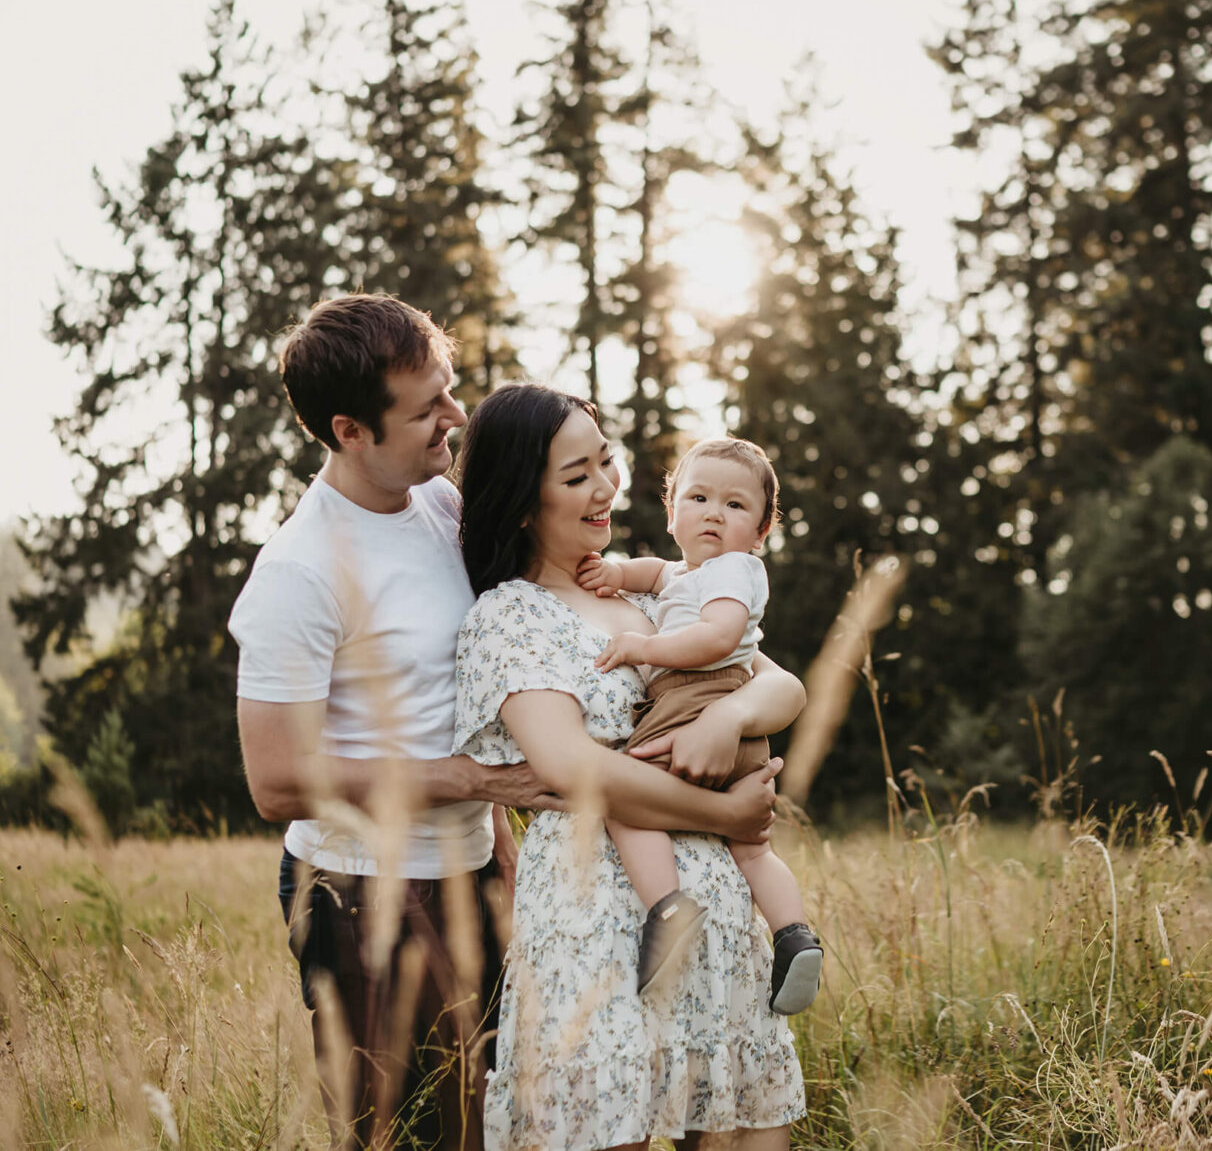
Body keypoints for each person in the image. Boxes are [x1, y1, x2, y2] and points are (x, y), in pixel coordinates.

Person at [229, 294, 560, 1151]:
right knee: (405, 1137)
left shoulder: (442, 509)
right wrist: (472, 780)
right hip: (357, 900)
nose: (457, 416)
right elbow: (275, 780)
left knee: (488, 1118)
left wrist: (503, 857)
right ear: (350, 430)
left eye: (449, 389)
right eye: (427, 408)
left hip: (473, 872)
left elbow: (462, 696)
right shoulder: (299, 572)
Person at [452, 384, 808, 1151]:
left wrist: (730, 715)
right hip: (601, 925)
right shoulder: (510, 614)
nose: (606, 487)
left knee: (743, 1131)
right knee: (609, 1125)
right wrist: (724, 814)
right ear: (521, 500)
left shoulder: (650, 597)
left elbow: (779, 682)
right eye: (576, 475)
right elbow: (571, 763)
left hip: (716, 919)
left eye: (605, 462)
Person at [575, 437, 823, 1015]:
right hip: (731, 729)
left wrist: (646, 645)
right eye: (700, 497)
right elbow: (649, 573)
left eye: (736, 507)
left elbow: (717, 638)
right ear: (673, 513)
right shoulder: (687, 573)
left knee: (624, 802)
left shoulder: (735, 571)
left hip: (698, 704)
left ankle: (668, 908)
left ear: (761, 532)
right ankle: (793, 936)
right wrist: (614, 572)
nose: (714, 512)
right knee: (752, 849)